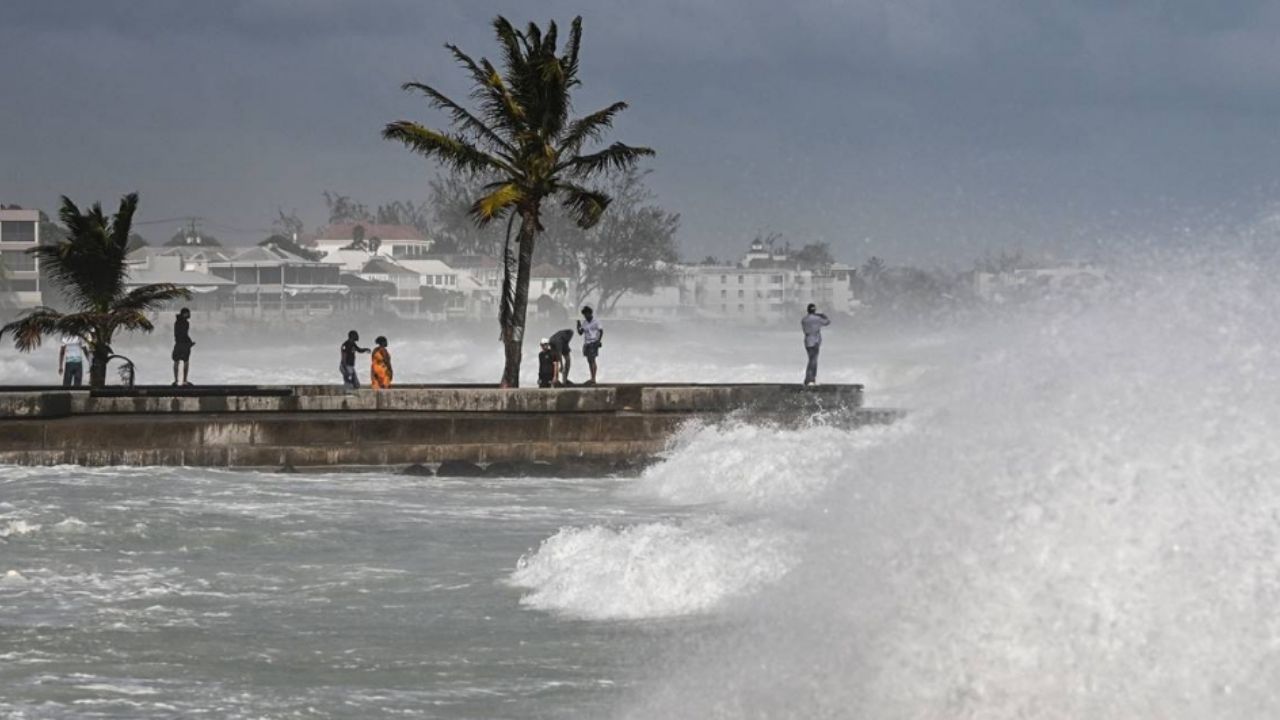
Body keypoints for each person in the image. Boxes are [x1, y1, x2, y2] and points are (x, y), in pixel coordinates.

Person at [801, 303, 831, 385]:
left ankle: (809, 378)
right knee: (813, 360)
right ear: (814, 310)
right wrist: (822, 315)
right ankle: (811, 378)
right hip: (815, 341)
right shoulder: (817, 319)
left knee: (811, 359)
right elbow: (827, 322)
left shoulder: (804, 319)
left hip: (807, 341)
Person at [576, 306, 604, 385]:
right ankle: (592, 377)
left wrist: (598, 341)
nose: (585, 316)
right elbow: (580, 333)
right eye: (584, 315)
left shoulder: (596, 321)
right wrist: (578, 325)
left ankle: (593, 378)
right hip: (587, 343)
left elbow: (601, 331)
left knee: (592, 360)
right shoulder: (585, 322)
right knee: (589, 360)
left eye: (586, 314)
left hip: (593, 342)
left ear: (590, 313)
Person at [172, 308, 195, 386]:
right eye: (187, 313)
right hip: (183, 344)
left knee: (176, 361)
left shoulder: (177, 322)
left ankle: (176, 381)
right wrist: (189, 343)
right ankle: (184, 381)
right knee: (185, 361)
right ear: (184, 314)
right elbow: (184, 334)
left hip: (178, 343)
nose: (189, 315)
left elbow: (178, 334)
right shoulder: (185, 323)